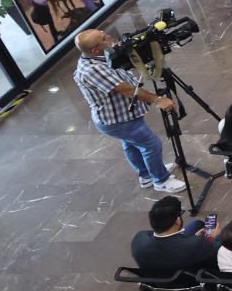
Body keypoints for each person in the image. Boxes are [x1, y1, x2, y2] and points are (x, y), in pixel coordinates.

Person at [72, 29, 186, 193]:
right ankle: (161, 180)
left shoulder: (103, 54)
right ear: (94, 50)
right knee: (151, 145)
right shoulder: (92, 69)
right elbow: (125, 90)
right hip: (118, 120)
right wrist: (158, 99)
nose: (109, 37)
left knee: (131, 145)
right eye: (104, 38)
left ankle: (146, 175)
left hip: (123, 115)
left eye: (104, 33)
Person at [131, 196, 217, 272]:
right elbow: (217, 255)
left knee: (196, 224)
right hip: (192, 279)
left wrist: (192, 238)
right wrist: (217, 237)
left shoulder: (138, 241)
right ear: (178, 220)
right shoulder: (196, 245)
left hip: (162, 279)